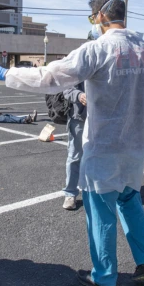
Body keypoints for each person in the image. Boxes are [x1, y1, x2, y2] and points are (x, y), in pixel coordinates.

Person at [0, 0, 144, 286]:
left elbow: (50, 77)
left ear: (100, 16)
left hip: (104, 144)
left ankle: (104, 276)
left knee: (100, 211)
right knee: (130, 200)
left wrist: (6, 73)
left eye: (94, 17)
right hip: (135, 144)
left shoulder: (97, 49)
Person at [62, 82, 86, 210]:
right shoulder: (77, 62)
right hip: (79, 118)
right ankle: (70, 193)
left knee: (103, 155)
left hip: (102, 118)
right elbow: (66, 88)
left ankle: (103, 190)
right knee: (75, 156)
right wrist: (79, 95)